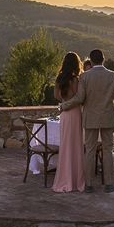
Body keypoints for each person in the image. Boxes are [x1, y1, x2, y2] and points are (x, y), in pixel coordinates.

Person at [60, 49, 114, 193]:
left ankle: (88, 184)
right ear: (103, 59)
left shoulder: (85, 77)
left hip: (90, 119)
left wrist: (64, 105)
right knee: (108, 150)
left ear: (92, 61)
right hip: (108, 119)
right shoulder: (113, 76)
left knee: (89, 150)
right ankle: (108, 184)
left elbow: (80, 98)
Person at [51, 52, 86, 193]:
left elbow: (56, 96)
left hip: (64, 114)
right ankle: (76, 180)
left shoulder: (59, 79)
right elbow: (79, 98)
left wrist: (64, 102)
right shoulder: (75, 80)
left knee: (66, 146)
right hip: (75, 113)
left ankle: (65, 179)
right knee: (76, 146)